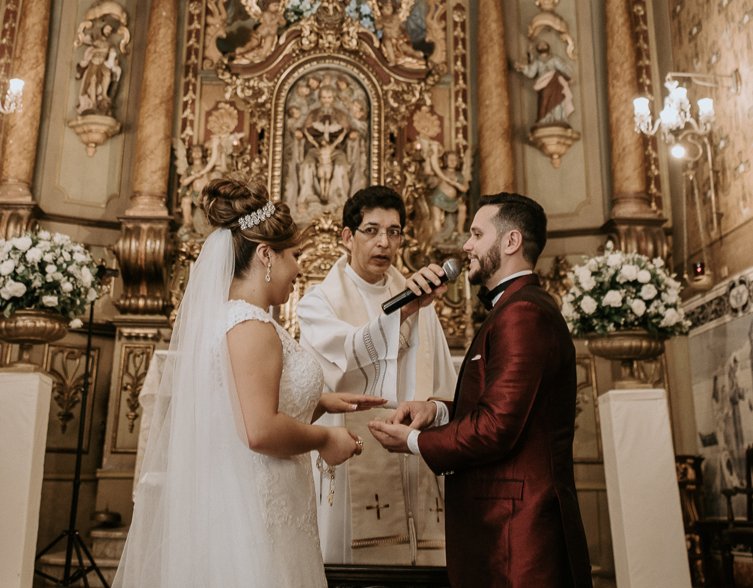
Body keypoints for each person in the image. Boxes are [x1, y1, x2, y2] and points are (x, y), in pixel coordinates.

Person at [113, 177, 384, 588]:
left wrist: (322, 401)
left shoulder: (237, 319)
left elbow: (239, 410)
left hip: (260, 499)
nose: (299, 268)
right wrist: (325, 440)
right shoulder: (252, 326)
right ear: (265, 255)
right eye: (294, 255)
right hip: (257, 512)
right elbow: (259, 431)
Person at [369, 193, 593, 588]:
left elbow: (497, 426)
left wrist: (415, 441)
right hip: (504, 527)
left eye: (476, 234)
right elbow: (504, 405)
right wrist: (437, 412)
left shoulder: (523, 313)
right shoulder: (513, 308)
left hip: (520, 534)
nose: (467, 246)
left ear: (510, 242)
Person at [297, 185, 457, 567]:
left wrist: (431, 408)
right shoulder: (319, 301)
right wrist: (403, 312)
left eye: (394, 231)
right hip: (351, 456)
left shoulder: (419, 300)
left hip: (414, 455)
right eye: (371, 230)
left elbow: (445, 387)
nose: (384, 242)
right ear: (348, 236)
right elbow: (347, 356)